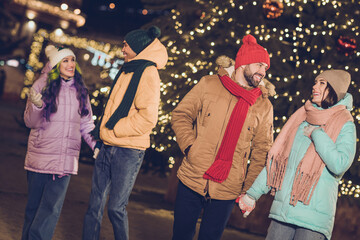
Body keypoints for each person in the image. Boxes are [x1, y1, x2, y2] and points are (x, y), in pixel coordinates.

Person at [170, 34, 274, 240]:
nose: (263, 72)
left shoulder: (264, 105)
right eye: (259, 65)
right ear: (242, 64)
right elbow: (181, 115)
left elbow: (262, 149)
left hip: (228, 187)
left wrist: (249, 189)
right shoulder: (208, 84)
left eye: (265, 67)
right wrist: (191, 148)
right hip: (193, 176)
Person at [238, 70, 356, 240]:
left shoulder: (345, 124)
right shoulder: (303, 116)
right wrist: (252, 194)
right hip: (283, 213)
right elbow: (279, 163)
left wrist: (317, 134)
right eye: (315, 82)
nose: (314, 86)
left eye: (322, 83)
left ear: (334, 89)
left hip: (313, 222)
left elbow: (339, 164)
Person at [82, 25, 168, 240]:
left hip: (128, 150)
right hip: (107, 146)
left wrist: (115, 129)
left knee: (115, 208)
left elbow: (148, 118)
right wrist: (104, 137)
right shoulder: (127, 69)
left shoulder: (148, 73)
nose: (122, 49)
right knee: (94, 205)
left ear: (137, 47)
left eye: (125, 45)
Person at [22, 45, 96, 240]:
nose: (71, 64)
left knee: (51, 210)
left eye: (72, 60)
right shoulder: (41, 86)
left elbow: (86, 124)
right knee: (34, 207)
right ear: (56, 65)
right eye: (65, 60)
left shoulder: (81, 91)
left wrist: (96, 145)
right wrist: (37, 106)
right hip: (40, 157)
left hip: (65, 161)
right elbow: (30, 122)